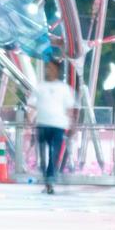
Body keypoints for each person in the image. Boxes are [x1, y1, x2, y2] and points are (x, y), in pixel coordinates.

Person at [28, 58, 76, 194]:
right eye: (47, 68)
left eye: (51, 68)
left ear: (57, 70)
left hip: (58, 125)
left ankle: (50, 180)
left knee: (53, 154)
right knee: (42, 156)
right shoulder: (40, 86)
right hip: (42, 124)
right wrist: (30, 116)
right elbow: (31, 103)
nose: (49, 70)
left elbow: (69, 109)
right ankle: (47, 179)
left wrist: (72, 125)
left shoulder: (64, 88)